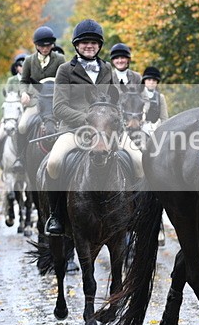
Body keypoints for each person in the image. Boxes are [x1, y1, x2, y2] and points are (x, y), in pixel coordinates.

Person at [44, 19, 144, 236]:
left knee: (138, 161)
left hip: (107, 129)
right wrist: (88, 120)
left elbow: (116, 101)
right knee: (53, 162)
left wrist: (111, 120)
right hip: (73, 129)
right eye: (84, 43)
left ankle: (136, 213)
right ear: (76, 45)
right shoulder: (64, 70)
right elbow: (59, 107)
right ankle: (57, 215)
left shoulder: (107, 68)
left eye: (93, 43)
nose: (89, 46)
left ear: (99, 45)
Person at [13, 25, 66, 171]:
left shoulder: (60, 59)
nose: (45, 48)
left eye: (48, 45)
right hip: (35, 101)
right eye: (41, 46)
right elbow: (24, 80)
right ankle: (21, 158)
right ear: (36, 45)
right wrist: (24, 93)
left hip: (55, 101)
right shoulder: (29, 61)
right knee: (22, 125)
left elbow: (65, 80)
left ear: (52, 45)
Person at [0, 53, 27, 174]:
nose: (22, 67)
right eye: (20, 65)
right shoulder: (11, 81)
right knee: (0, 135)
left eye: (25, 64)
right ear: (16, 68)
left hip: (26, 113)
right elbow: (7, 99)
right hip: (12, 114)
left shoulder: (31, 80)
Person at [141, 65, 169, 132]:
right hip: (140, 128)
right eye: (149, 80)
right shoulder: (138, 95)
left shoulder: (160, 97)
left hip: (155, 129)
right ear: (144, 81)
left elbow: (164, 118)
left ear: (157, 82)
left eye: (154, 80)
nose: (151, 82)